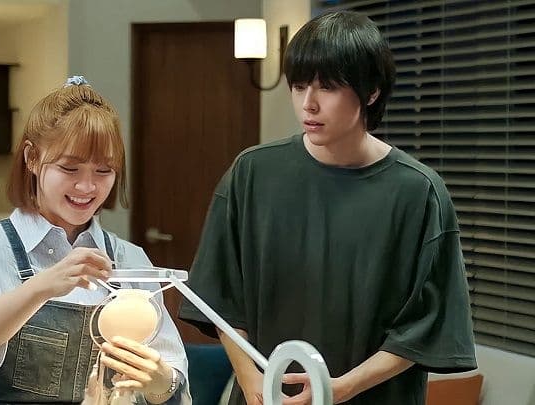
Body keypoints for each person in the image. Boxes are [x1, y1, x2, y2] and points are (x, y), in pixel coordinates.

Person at [179, 11, 476, 405]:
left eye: (328, 88)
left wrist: (342, 387)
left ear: (371, 92)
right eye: (299, 86)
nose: (309, 104)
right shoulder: (252, 173)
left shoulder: (418, 193)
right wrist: (250, 379)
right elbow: (220, 298)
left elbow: (427, 326)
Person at [0, 76, 190, 404]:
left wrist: (160, 381)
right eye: (70, 168)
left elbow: (173, 379)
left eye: (104, 171)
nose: (87, 187)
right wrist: (42, 286)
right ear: (32, 158)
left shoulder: (130, 259)